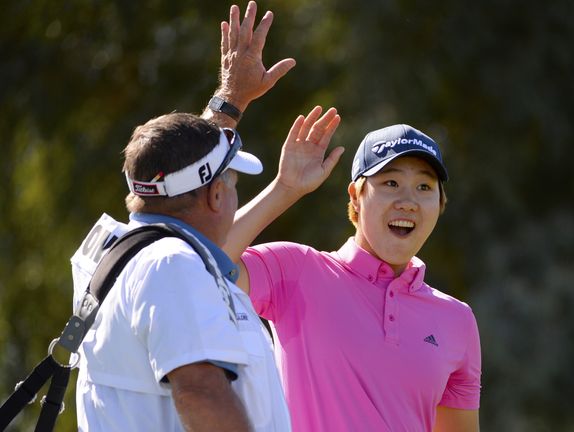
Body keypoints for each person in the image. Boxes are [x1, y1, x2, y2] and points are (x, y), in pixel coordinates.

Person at [71, 3, 305, 430]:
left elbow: (172, 162)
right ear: (216, 195)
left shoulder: (126, 251)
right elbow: (200, 393)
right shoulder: (172, 265)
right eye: (232, 184)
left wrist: (230, 101)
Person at [222, 113, 482, 430]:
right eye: (391, 183)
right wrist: (284, 189)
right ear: (356, 198)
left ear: (440, 203)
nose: (408, 202)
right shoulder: (297, 269)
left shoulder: (457, 320)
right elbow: (204, 260)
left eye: (424, 186)